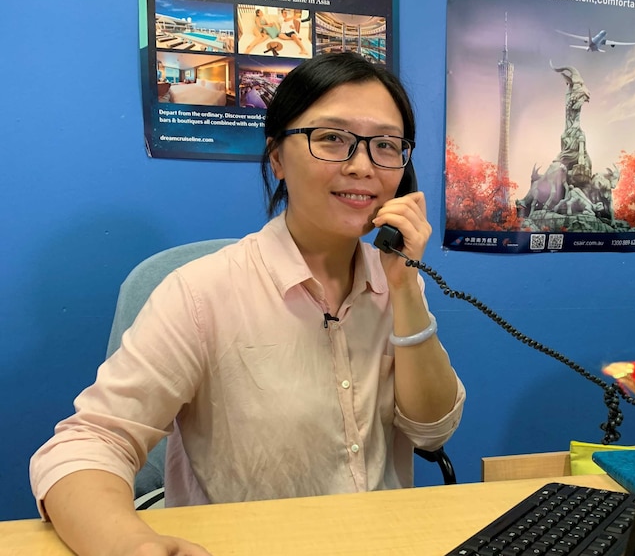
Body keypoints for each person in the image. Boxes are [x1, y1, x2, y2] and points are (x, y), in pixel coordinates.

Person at [29, 51, 465, 556]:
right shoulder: (201, 292)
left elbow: (432, 432)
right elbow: (88, 443)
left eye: (386, 146)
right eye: (332, 138)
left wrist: (406, 284)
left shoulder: (396, 284)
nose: (363, 165)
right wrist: (128, 545)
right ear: (277, 156)